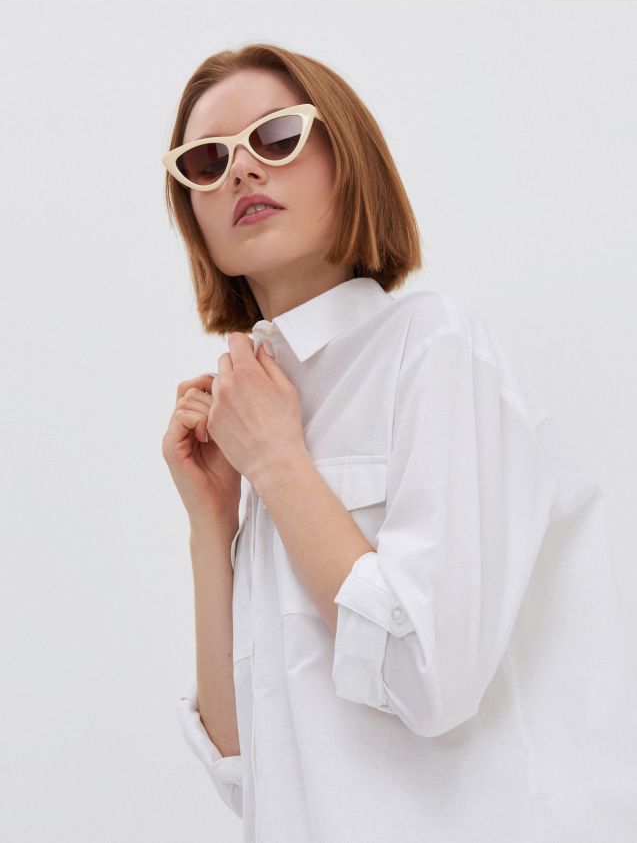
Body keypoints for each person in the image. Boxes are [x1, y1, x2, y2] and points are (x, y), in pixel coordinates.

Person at [160, 43, 637, 843]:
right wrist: (212, 524)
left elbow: (429, 677)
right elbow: (247, 769)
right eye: (207, 161)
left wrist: (277, 462)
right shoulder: (257, 410)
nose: (240, 169)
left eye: (275, 137)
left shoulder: (432, 346)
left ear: (346, 158)